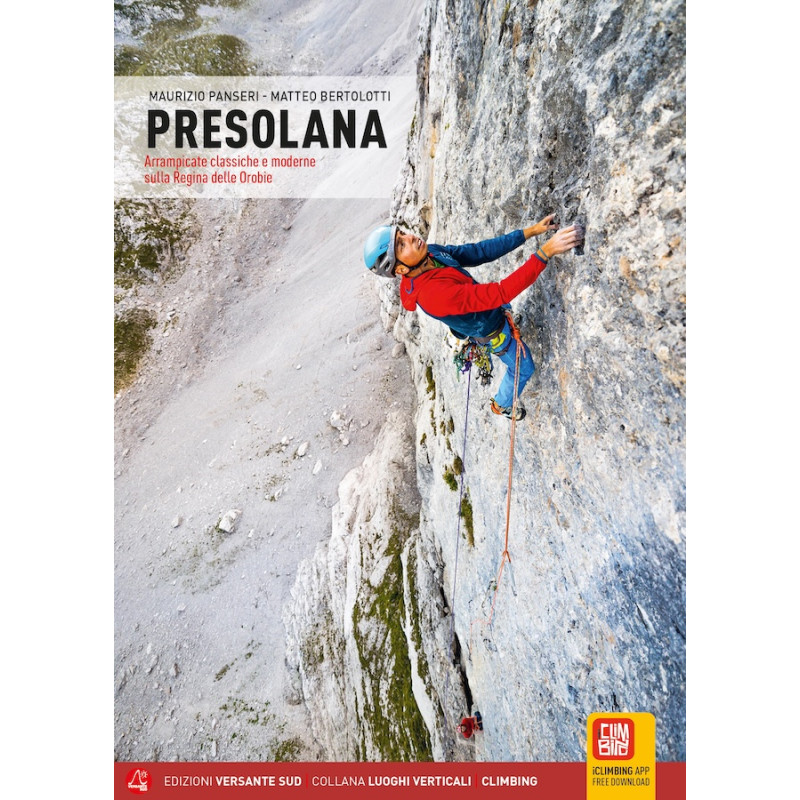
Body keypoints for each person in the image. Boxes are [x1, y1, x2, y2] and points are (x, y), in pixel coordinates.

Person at [363, 216, 583, 419]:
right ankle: (502, 404)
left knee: (499, 306)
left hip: (487, 312)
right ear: (401, 270)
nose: (410, 237)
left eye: (402, 234)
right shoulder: (433, 295)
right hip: (491, 330)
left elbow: (478, 252)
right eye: (401, 245)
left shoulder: (430, 254)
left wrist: (530, 232)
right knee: (523, 367)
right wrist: (545, 252)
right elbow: (501, 292)